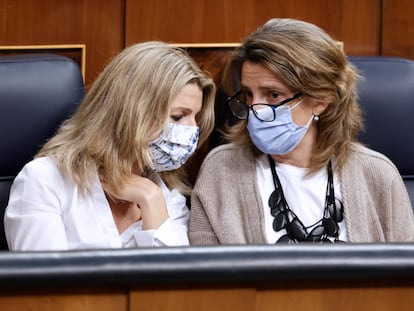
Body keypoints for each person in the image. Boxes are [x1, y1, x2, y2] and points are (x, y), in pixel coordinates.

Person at [189, 18, 414, 244]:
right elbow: (205, 275)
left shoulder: (377, 174)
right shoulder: (220, 170)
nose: (255, 109)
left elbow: (404, 273)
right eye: (248, 94)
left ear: (321, 99)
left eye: (273, 95)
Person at [4, 41, 215, 251]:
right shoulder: (44, 180)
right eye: (178, 116)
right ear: (130, 112)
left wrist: (151, 200)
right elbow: (45, 281)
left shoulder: (168, 197)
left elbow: (171, 282)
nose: (193, 131)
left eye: (195, 117)